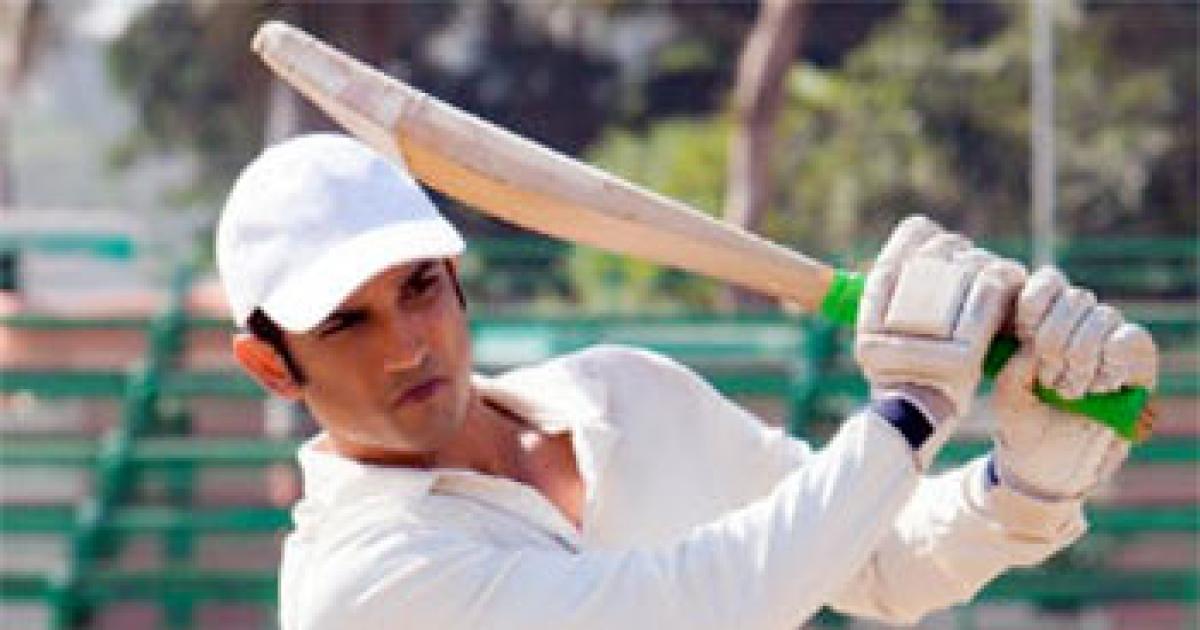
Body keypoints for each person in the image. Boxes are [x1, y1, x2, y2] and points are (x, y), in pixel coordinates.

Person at [215, 134, 1157, 630]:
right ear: (269, 365)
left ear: (456, 274)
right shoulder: (359, 585)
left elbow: (870, 560)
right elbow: (704, 606)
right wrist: (912, 410)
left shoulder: (622, 394)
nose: (406, 346)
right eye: (344, 324)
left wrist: (1022, 485)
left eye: (419, 287)